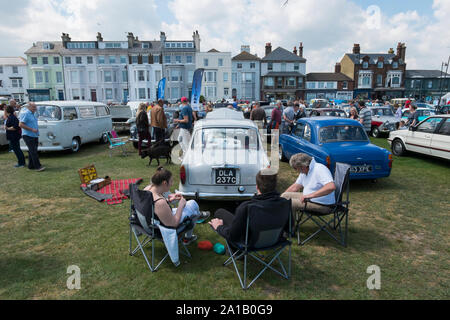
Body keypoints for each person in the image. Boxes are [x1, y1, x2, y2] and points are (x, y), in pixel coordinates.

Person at [144, 167, 209, 265]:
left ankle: (197, 216)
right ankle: (193, 226)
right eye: (171, 181)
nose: (172, 183)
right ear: (164, 183)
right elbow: (174, 224)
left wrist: (168, 200)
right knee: (192, 204)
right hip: (160, 227)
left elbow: (156, 208)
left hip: (149, 222)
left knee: (192, 206)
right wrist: (181, 206)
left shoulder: (148, 189)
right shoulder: (159, 202)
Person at [209, 169, 290, 245]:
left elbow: (232, 236)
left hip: (250, 243)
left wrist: (219, 227)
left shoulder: (247, 207)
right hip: (275, 240)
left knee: (219, 212)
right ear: (275, 186)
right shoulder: (285, 203)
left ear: (257, 187)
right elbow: (289, 229)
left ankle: (236, 252)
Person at [19, 102, 45, 171]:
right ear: (29, 107)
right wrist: (31, 129)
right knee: (33, 151)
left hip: (34, 135)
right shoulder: (26, 114)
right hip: (28, 135)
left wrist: (36, 133)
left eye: (35, 107)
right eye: (33, 107)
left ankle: (31, 166)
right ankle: (38, 166)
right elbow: (21, 124)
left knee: (32, 151)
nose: (35, 108)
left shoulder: (33, 114)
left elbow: (33, 124)